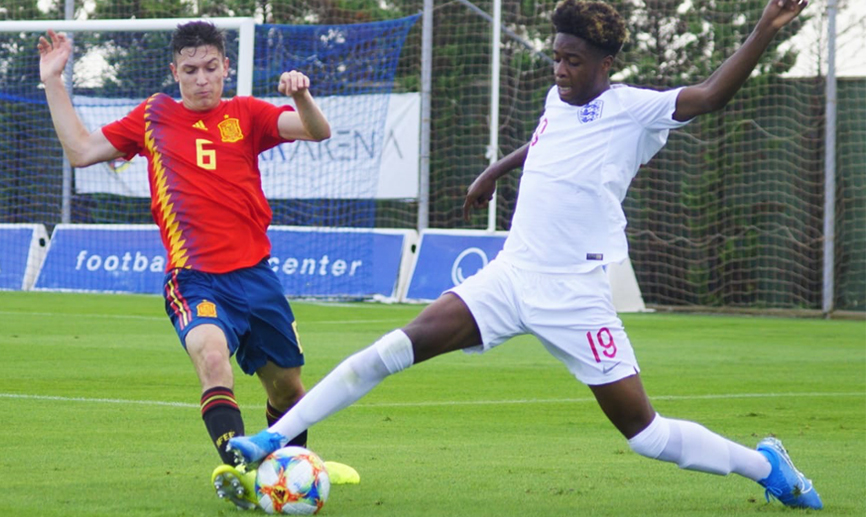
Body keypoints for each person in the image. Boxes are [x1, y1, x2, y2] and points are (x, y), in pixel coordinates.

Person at [229, 0, 821, 510]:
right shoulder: (556, 96)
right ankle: (275, 438)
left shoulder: (635, 109)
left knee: (645, 435)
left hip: (576, 296)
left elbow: (713, 95)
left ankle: (767, 466)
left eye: (574, 61)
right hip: (511, 277)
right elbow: (546, 139)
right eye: (556, 57)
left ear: (605, 65)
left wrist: (766, 26)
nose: (561, 69)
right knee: (391, 350)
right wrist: (495, 170)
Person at [37, 21, 357, 511]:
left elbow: (317, 130)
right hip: (193, 277)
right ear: (175, 72)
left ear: (226, 67)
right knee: (212, 359)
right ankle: (238, 472)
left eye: (211, 68)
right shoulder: (153, 116)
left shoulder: (246, 115)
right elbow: (81, 151)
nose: (202, 78)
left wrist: (303, 96)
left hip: (255, 276)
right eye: (190, 70)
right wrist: (53, 80)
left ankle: (293, 468)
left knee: (288, 387)